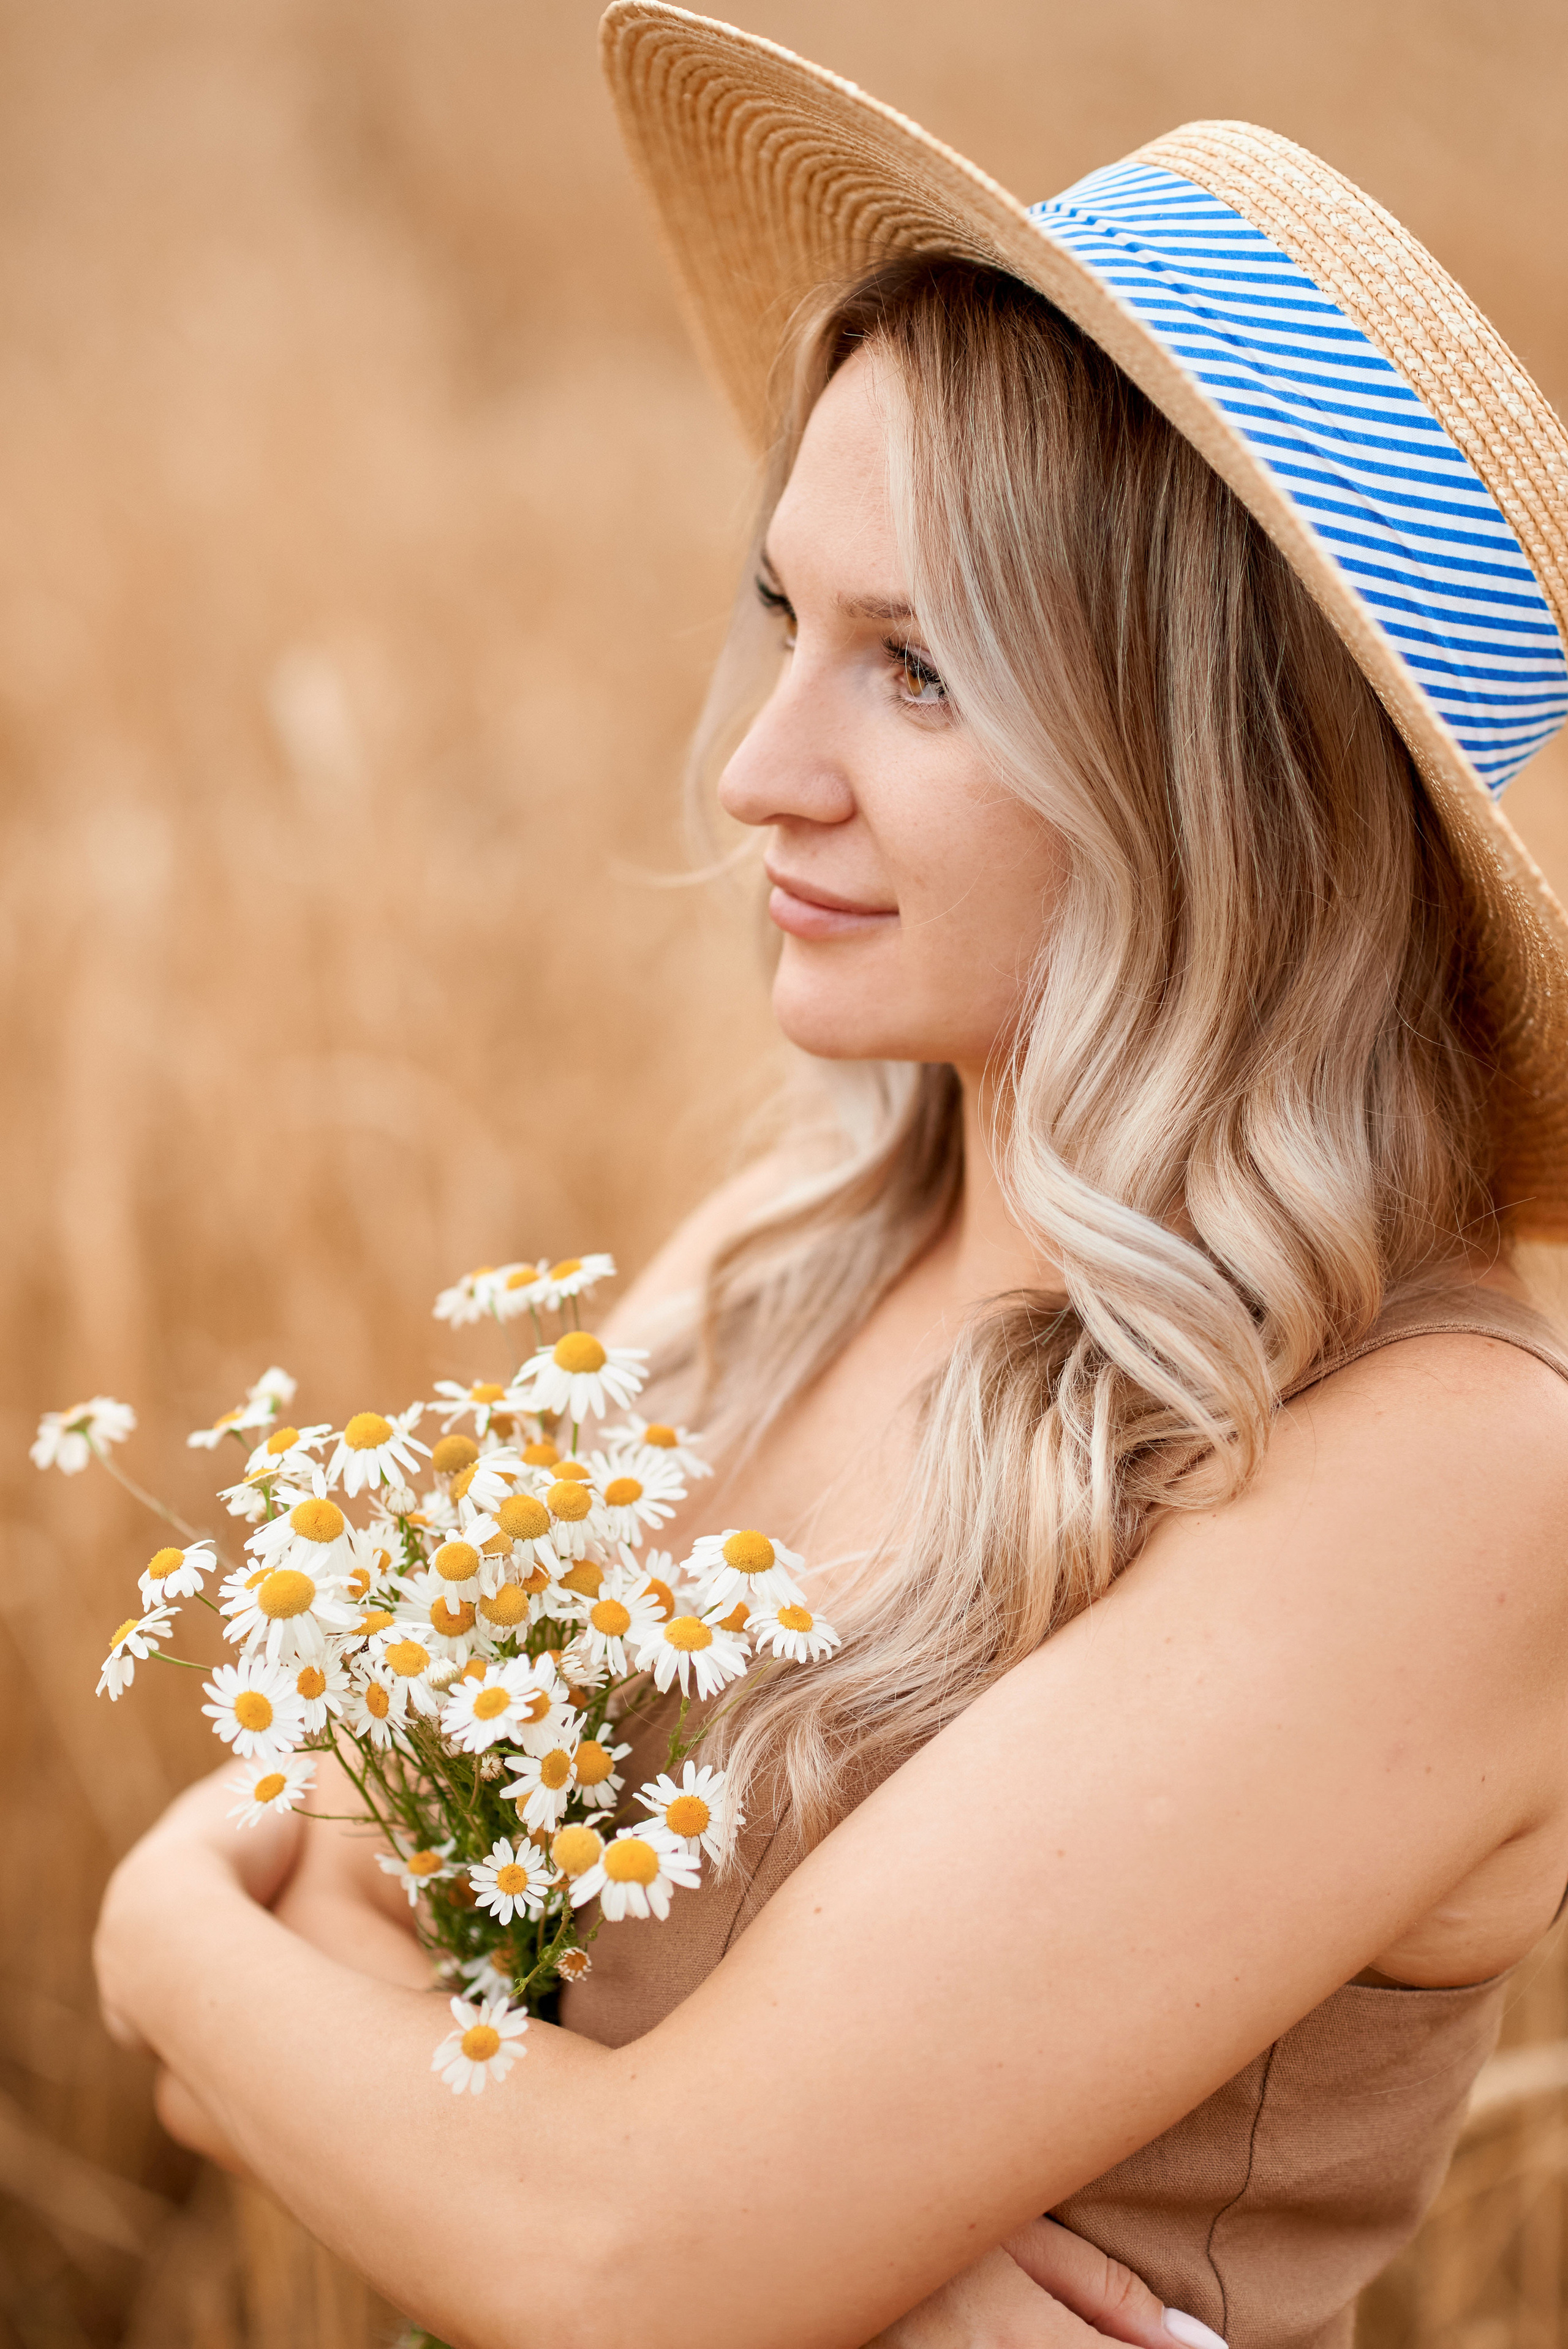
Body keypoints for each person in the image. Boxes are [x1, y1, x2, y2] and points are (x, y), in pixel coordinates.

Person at [94, 8, 1568, 2346]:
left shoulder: (1450, 1473)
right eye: (790, 613)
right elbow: (308, 1968)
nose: (764, 769)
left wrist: (253, 1976)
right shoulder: (784, 1261)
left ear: (1218, 779)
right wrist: (182, 1936)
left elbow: (599, 2256)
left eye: (924, 670)